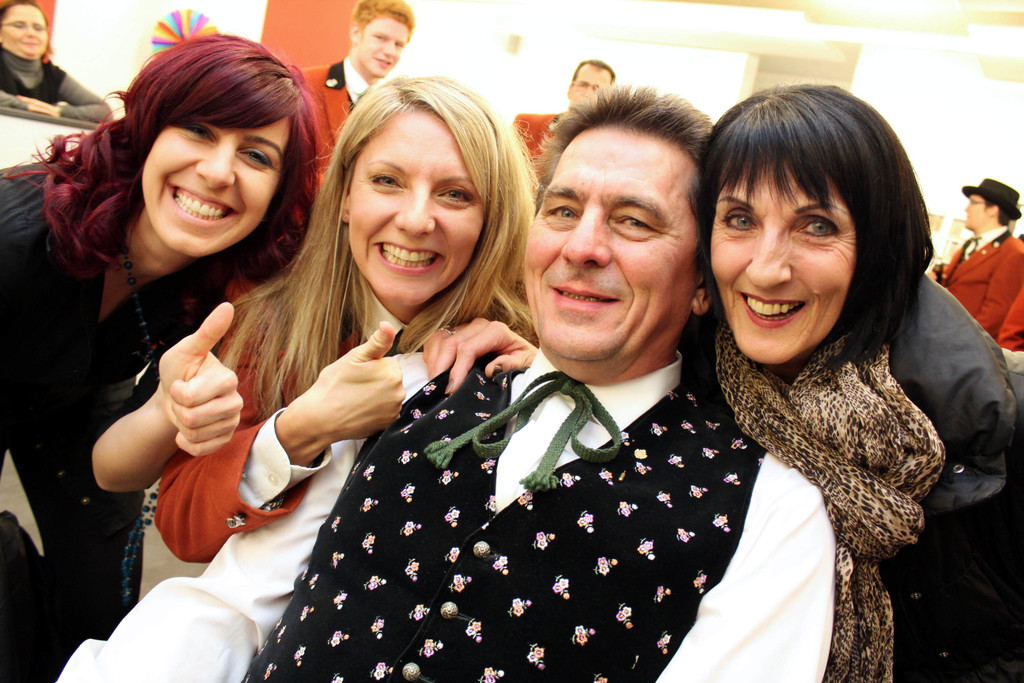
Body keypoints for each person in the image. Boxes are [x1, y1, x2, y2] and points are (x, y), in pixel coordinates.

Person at [58, 85, 835, 683]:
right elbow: (227, 606)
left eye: (634, 220)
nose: (583, 246)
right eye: (563, 209)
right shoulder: (400, 387)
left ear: (702, 280)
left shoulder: (770, 508)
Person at [96, 75, 536, 564]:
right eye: (387, 181)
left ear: (492, 218)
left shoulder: (525, 343)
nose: (415, 221)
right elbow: (183, 528)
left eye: (455, 194)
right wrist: (298, 432)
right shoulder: (266, 322)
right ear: (345, 197)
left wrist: (541, 381)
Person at [0, 33, 320, 677]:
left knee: (103, 599)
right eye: (198, 129)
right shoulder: (16, 239)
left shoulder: (222, 281)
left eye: (256, 154)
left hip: (75, 398)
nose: (219, 172)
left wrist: (166, 413)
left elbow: (112, 472)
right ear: (146, 131)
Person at [303, 0, 415, 141]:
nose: (390, 51)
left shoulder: (394, 109)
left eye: (398, 44)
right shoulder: (306, 84)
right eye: (380, 38)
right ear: (356, 33)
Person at [938, 177, 1024, 339]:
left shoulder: (1014, 252)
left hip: (962, 344)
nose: (967, 209)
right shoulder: (970, 245)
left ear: (993, 210)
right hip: (942, 335)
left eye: (973, 202)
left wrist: (960, 343)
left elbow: (995, 315)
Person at [0, 0, 110, 121]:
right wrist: (25, 106)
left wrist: (58, 111)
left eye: (38, 28)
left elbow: (104, 111)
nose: (31, 33)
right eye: (19, 25)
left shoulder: (54, 75)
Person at [513, 58, 614, 160]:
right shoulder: (525, 125)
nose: (588, 93)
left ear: (608, 99)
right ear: (570, 90)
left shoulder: (608, 146)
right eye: (583, 85)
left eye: (598, 89)